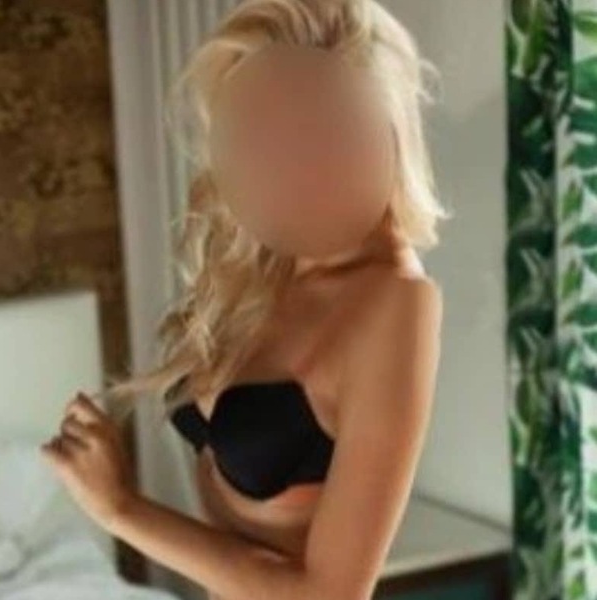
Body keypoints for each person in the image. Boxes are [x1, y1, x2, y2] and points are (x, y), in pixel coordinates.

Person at [41, 1, 450, 599]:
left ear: (386, 129)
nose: (289, 162)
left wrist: (120, 509)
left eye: (318, 133)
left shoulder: (398, 304)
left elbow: (331, 595)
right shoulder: (268, 264)